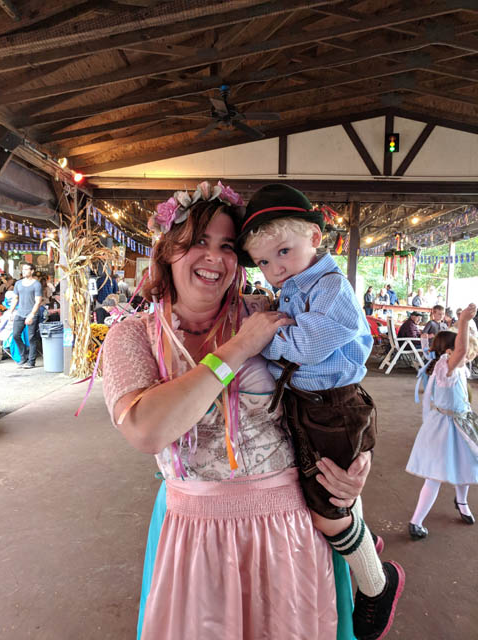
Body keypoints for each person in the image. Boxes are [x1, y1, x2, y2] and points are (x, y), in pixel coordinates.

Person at [102, 181, 373, 640]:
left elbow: (337, 385)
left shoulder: (266, 308)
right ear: (168, 251)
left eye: (227, 246)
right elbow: (147, 430)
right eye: (197, 243)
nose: (214, 258)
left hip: (288, 526)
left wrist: (354, 472)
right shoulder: (133, 336)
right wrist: (241, 346)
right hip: (195, 533)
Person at [238, 183, 404, 640]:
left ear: (315, 235)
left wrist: (262, 339)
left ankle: (376, 582)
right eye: (264, 262)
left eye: (284, 252)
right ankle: (364, 541)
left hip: (332, 407)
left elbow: (307, 346)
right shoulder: (297, 285)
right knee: (323, 488)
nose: (274, 269)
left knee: (326, 504)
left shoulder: (331, 287)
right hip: (309, 403)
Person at [407, 303, 478, 540]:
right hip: (446, 426)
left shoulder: (448, 368)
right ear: (449, 351)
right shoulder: (446, 368)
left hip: (458, 423)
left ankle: (461, 501)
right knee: (436, 474)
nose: (465, 353)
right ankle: (416, 521)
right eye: (458, 347)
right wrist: (465, 320)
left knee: (466, 463)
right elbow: (461, 351)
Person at [8, 263, 42, 369]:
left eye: (26, 269)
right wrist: (11, 311)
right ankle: (24, 356)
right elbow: (16, 298)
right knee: (15, 335)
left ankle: (31, 361)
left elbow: (38, 301)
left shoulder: (36, 284)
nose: (23, 271)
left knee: (32, 338)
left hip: (32, 313)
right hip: (20, 313)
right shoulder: (18, 283)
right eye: (23, 269)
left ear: (32, 271)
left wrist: (31, 315)